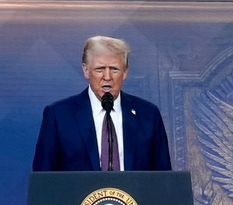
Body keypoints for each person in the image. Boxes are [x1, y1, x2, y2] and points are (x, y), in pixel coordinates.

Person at [32, 36, 172, 172]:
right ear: (86, 70)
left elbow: (165, 180)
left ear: (125, 72)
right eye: (99, 69)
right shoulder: (59, 115)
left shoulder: (148, 115)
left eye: (114, 69)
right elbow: (43, 180)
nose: (107, 77)